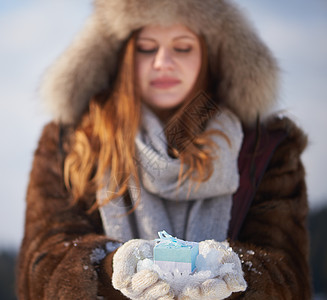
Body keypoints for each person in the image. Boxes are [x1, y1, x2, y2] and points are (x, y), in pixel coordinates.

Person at [17, 0, 312, 299]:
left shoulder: (264, 146)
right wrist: (111, 272)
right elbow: (41, 267)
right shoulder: (71, 142)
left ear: (209, 55)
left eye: (182, 48)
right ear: (123, 56)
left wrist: (232, 276)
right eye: (146, 48)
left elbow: (289, 277)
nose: (162, 62)